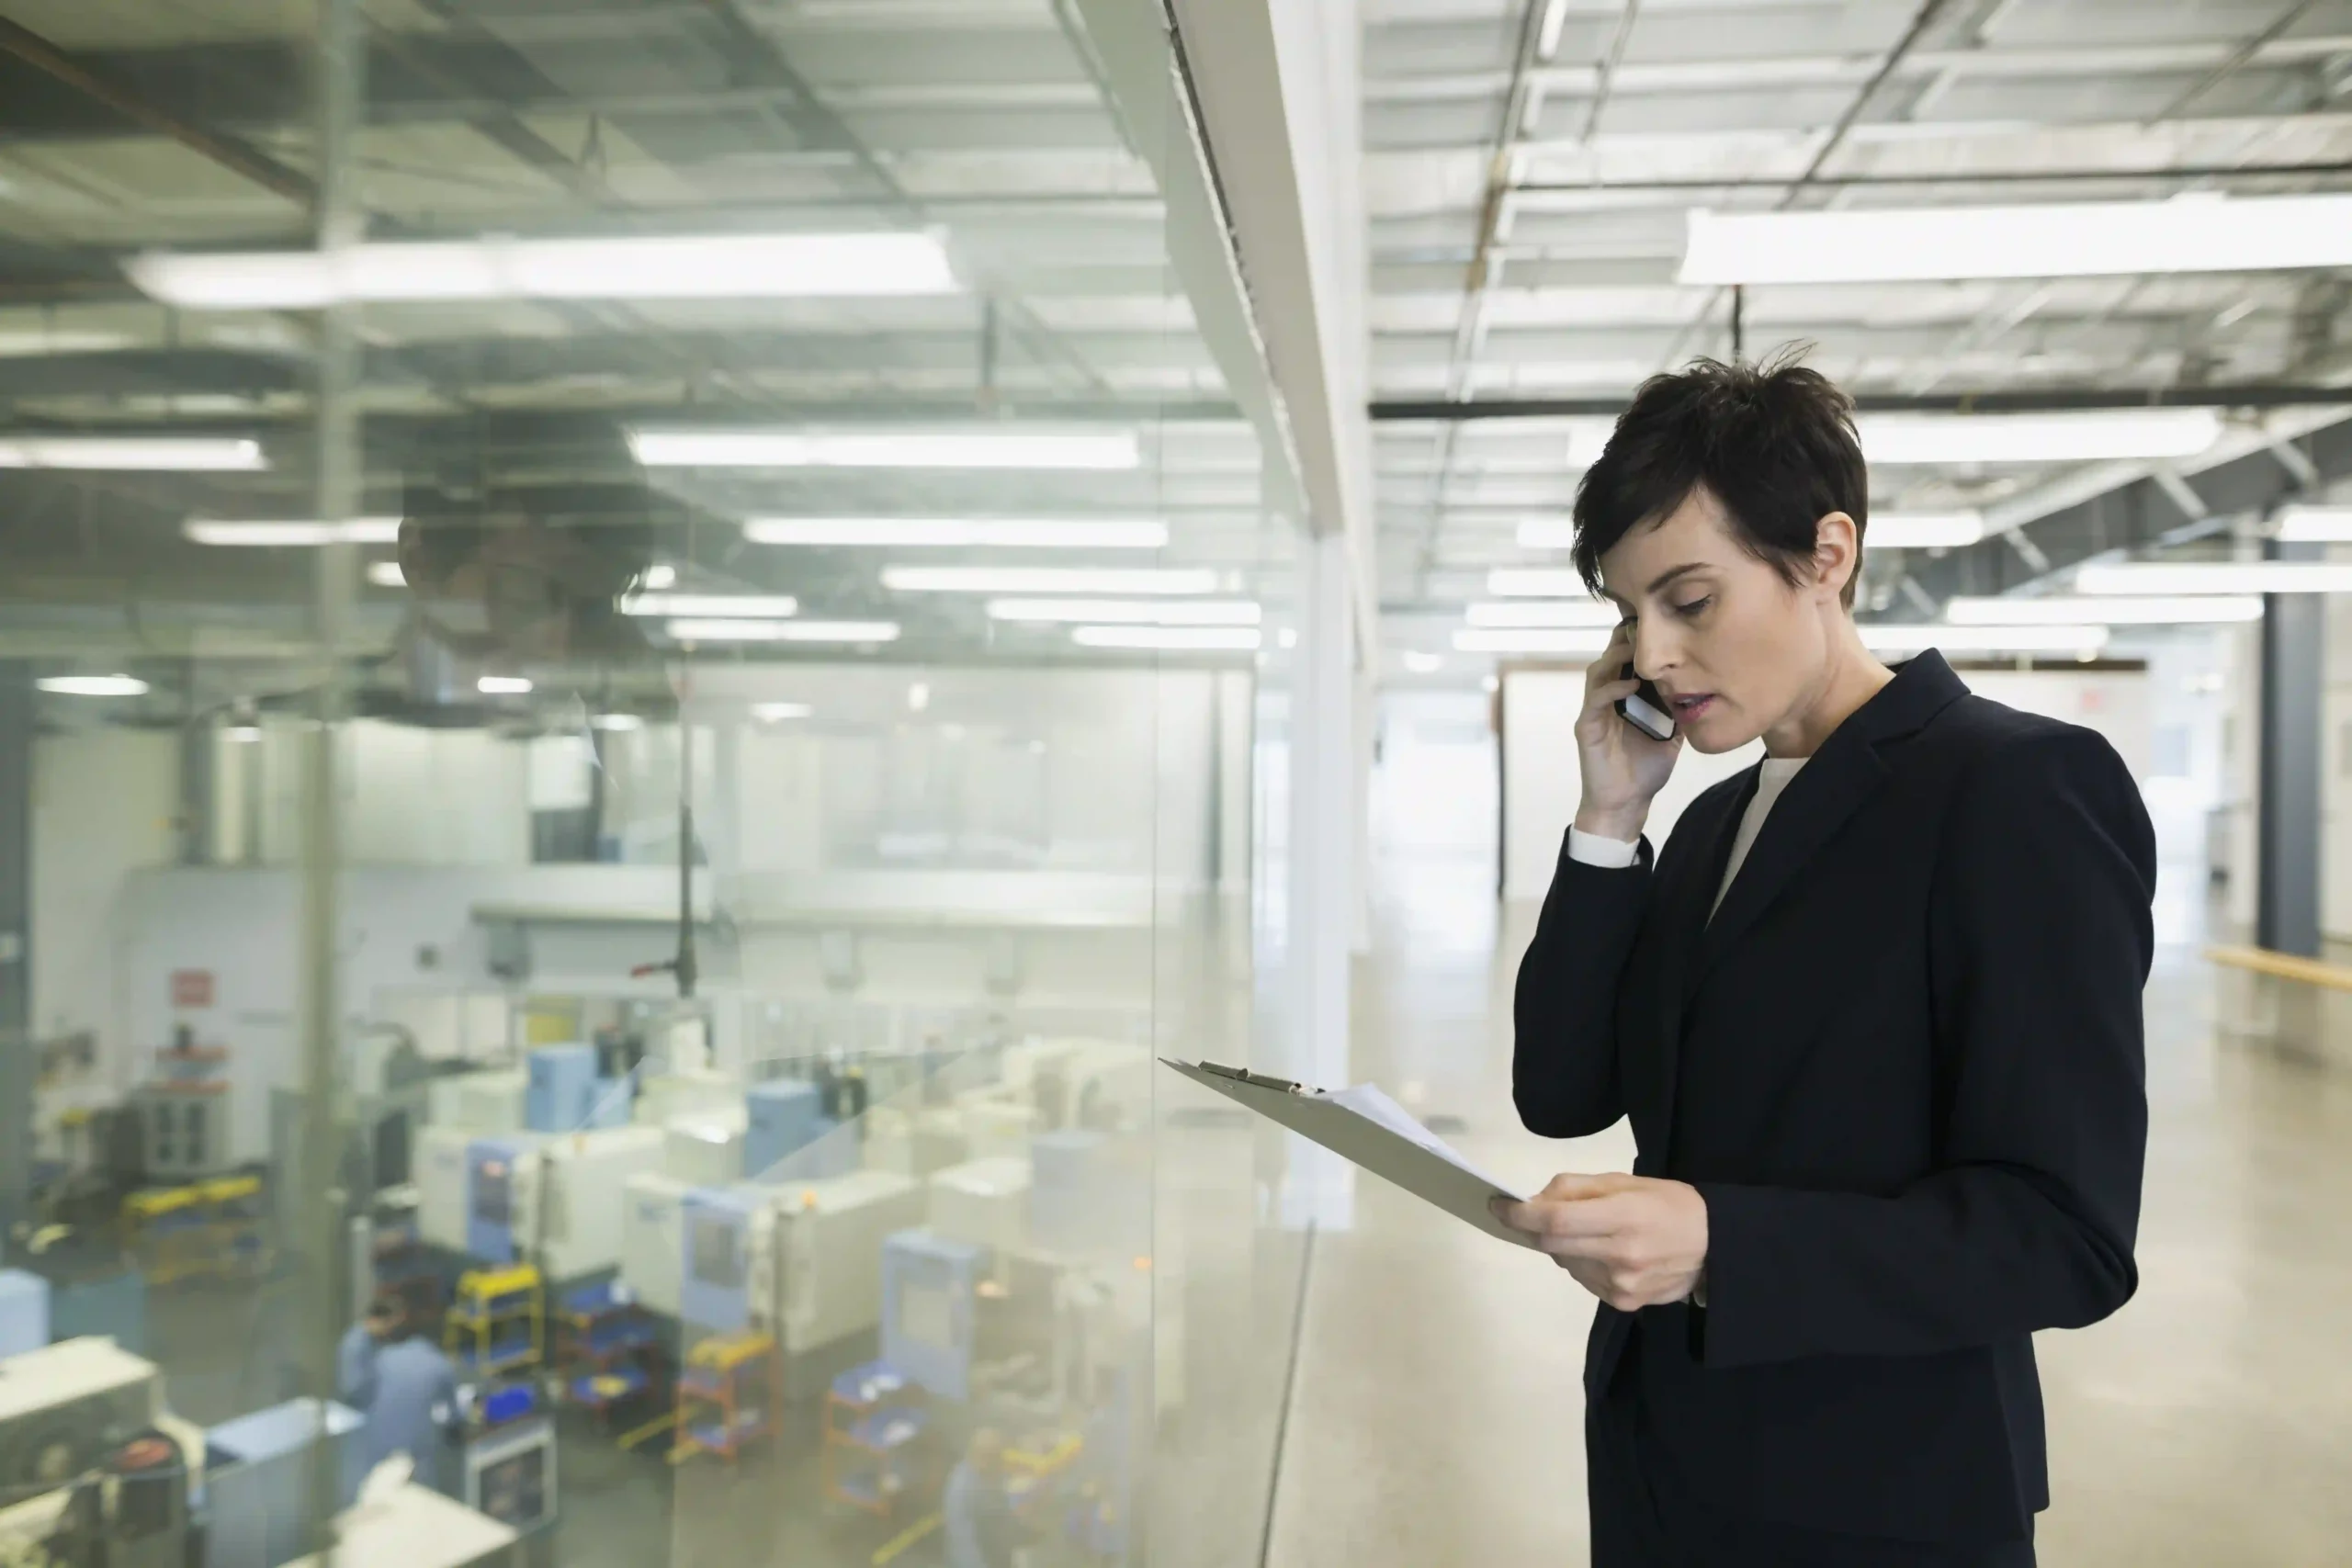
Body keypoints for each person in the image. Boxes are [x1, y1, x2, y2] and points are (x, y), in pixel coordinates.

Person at [1498, 353, 2156, 1567]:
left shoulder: (2014, 792)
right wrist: (1606, 822)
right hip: (1660, 1458)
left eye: (1689, 601)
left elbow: (2066, 1231)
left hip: (1873, 1499)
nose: (1649, 655)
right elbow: (1563, 1089)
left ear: (1827, 555)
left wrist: (1720, 1245)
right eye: (1627, 613)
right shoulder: (1702, 823)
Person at [337, 1290, 460, 1494]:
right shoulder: (359, 1346)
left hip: (375, 1442)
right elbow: (353, 1391)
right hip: (384, 1440)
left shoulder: (381, 1353)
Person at [941, 1427, 1022, 1568]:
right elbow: (963, 1540)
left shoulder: (991, 1474)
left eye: (998, 1455)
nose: (997, 1461)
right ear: (975, 1453)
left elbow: (1002, 1514)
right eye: (991, 1455)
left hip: (998, 1555)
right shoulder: (962, 1487)